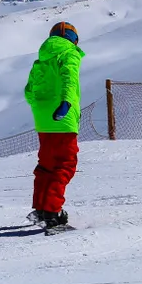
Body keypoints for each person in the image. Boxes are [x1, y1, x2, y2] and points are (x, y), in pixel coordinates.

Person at [24, 21, 84, 230]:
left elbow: (29, 91)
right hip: (63, 118)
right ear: (73, 40)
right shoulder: (69, 54)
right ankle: (52, 212)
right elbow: (70, 79)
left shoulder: (41, 60)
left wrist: (40, 109)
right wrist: (65, 103)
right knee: (65, 165)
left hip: (43, 120)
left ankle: (41, 209)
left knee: (46, 164)